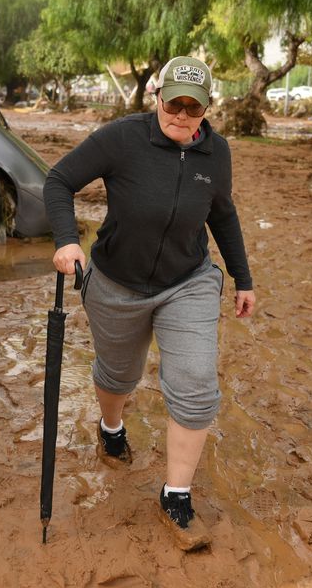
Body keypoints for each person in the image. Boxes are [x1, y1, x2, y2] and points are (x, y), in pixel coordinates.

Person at [44, 55, 256, 550]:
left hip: (189, 280)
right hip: (116, 281)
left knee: (197, 383)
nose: (181, 116)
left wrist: (243, 279)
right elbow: (59, 180)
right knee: (119, 376)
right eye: (173, 104)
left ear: (206, 109)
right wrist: (66, 239)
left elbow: (222, 215)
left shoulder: (216, 153)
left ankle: (176, 494)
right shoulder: (123, 138)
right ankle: (111, 427)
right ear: (157, 97)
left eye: (193, 108)